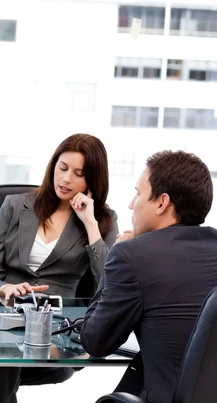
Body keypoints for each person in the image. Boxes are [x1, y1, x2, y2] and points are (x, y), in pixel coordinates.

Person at [0, 133, 119, 403]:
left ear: (92, 180)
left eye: (78, 173)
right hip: (3, 317)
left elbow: (108, 281)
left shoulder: (102, 220)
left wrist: (90, 224)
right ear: (53, 165)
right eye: (63, 167)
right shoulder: (14, 205)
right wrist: (5, 289)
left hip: (55, 327)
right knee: (3, 356)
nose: (66, 179)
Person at [79, 150, 217, 403]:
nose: (132, 204)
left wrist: (119, 253)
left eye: (139, 193)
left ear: (162, 203)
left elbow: (93, 341)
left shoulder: (132, 255)